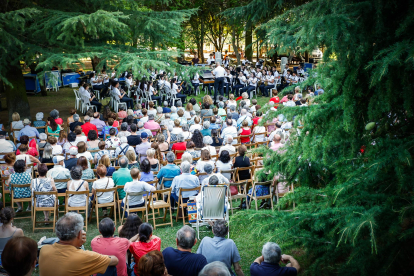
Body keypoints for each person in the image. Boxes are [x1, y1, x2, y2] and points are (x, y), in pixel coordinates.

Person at [39, 212, 119, 276]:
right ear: (80, 234)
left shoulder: (44, 250)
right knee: (109, 266)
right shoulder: (85, 256)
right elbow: (115, 260)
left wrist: (78, 245)